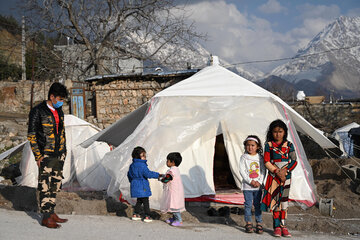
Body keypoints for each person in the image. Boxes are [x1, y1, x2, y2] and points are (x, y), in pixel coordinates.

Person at [27, 82, 69, 228]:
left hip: (59, 152)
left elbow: (61, 131)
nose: (61, 102)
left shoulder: (59, 111)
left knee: (55, 183)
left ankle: (51, 212)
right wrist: (38, 156)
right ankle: (45, 217)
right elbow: (32, 135)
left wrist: (64, 150)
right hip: (45, 154)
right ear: (52, 96)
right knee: (45, 184)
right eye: (60, 99)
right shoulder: (37, 111)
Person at [260, 119, 298, 237]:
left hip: (286, 177)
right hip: (273, 177)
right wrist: (277, 171)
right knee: (275, 201)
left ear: (284, 132)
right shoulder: (269, 145)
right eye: (275, 132)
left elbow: (294, 161)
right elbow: (266, 161)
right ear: (271, 132)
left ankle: (283, 225)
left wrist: (285, 171)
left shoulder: (289, 145)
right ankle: (276, 226)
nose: (278, 134)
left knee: (284, 202)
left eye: (280, 131)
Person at [239, 135, 265, 234]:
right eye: (248, 145)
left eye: (253, 145)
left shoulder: (260, 158)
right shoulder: (244, 157)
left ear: (257, 146)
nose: (250, 147)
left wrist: (259, 181)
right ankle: (248, 222)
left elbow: (263, 170)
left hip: (258, 187)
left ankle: (259, 222)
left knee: (258, 205)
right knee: (248, 205)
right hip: (247, 187)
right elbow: (242, 171)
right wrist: (250, 181)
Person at [127, 146, 160, 222]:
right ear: (138, 156)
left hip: (135, 184)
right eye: (143, 155)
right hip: (142, 185)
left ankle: (136, 214)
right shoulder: (142, 165)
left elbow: (129, 175)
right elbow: (148, 174)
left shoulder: (132, 165)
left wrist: (132, 182)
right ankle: (147, 215)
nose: (145, 157)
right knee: (145, 201)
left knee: (139, 200)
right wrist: (158, 175)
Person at [160, 152, 185, 227]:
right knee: (173, 206)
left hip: (174, 192)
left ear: (172, 162)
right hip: (176, 191)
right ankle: (174, 218)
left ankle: (179, 220)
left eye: (168, 161)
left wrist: (161, 179)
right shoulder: (176, 170)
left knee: (175, 207)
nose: (166, 162)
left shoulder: (172, 170)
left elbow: (167, 178)